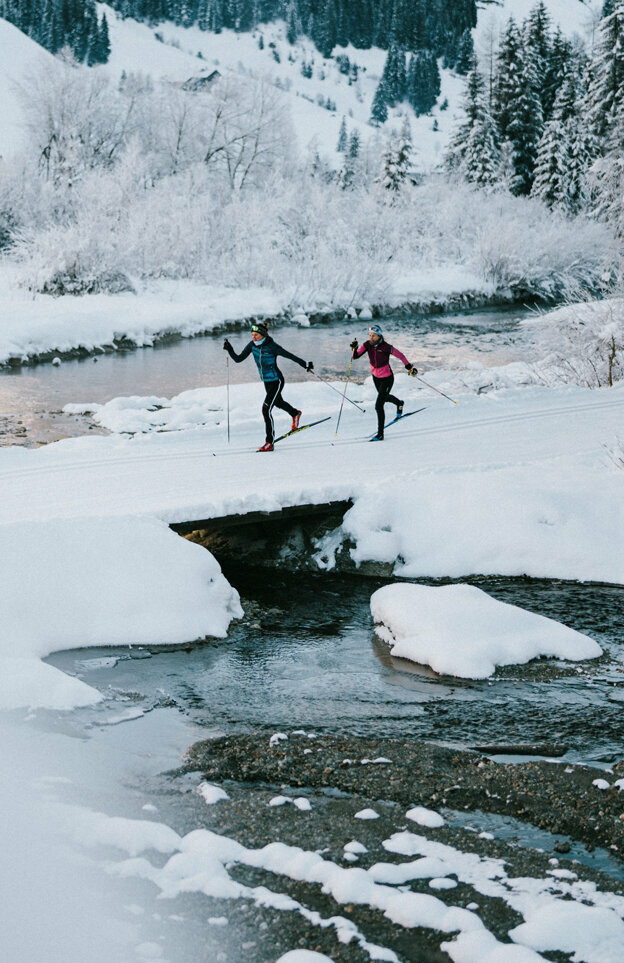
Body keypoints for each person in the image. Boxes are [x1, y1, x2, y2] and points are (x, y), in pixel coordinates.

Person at [223, 322, 314, 452]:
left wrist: (305, 364)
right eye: (252, 335)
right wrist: (230, 349)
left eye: (256, 335)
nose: (253, 337)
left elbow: (290, 356)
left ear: (263, 335)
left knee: (266, 410)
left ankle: (269, 442)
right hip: (266, 381)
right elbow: (238, 359)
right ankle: (295, 413)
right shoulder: (252, 345)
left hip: (276, 380)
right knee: (278, 402)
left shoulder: (272, 347)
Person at [350, 324, 417, 441]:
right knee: (384, 398)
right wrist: (354, 348)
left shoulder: (386, 347)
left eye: (374, 336)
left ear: (379, 336)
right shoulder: (367, 345)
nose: (371, 338)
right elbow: (355, 356)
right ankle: (399, 403)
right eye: (370, 335)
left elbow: (401, 355)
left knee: (378, 405)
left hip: (387, 379)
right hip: (376, 378)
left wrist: (409, 367)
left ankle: (380, 434)